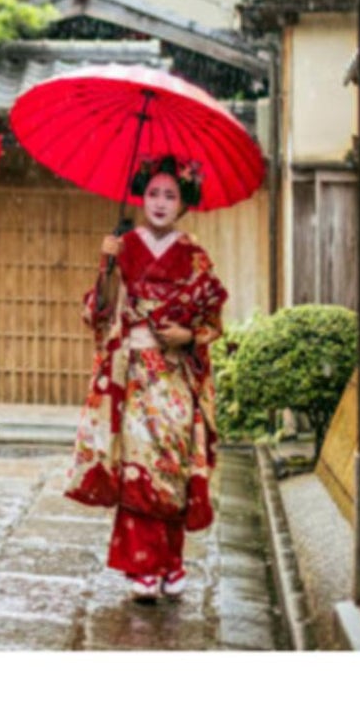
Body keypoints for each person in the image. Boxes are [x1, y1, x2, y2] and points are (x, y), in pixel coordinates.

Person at [65, 154, 228, 601]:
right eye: (153, 193)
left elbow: (213, 320)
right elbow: (97, 313)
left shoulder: (196, 256)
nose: (159, 202)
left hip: (174, 374)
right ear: (141, 196)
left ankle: (171, 560)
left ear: (183, 203)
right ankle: (142, 566)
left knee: (171, 466)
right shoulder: (123, 245)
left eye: (170, 195)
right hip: (133, 374)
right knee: (137, 464)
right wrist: (107, 266)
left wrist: (188, 335)